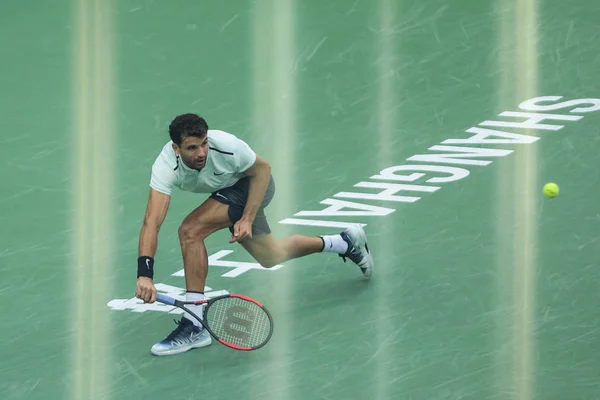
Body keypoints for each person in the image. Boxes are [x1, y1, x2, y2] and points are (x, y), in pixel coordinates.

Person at [135, 113, 374, 356]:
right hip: (226, 191)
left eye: (204, 143)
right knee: (271, 256)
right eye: (192, 147)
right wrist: (145, 274)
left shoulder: (227, 146)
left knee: (190, 231)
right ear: (176, 148)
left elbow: (263, 170)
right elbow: (151, 222)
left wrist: (247, 218)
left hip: (253, 185)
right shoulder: (165, 166)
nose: (201, 153)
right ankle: (344, 243)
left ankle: (195, 324)